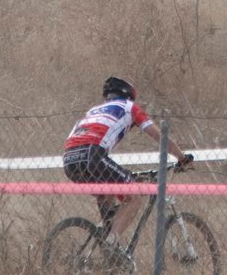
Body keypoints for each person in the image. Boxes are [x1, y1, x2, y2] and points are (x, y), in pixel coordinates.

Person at [63, 76, 195, 268]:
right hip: (93, 156)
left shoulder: (93, 110)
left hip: (69, 161)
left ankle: (102, 250)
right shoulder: (130, 108)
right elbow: (159, 135)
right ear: (129, 95)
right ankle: (110, 244)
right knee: (133, 197)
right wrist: (182, 158)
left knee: (107, 195)